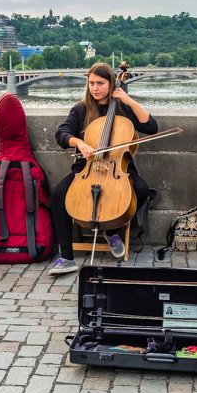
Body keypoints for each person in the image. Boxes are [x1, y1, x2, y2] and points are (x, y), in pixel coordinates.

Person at [48, 63, 159, 275]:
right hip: (86, 168)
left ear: (111, 83)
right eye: (91, 83)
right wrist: (78, 143)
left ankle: (113, 231)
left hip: (119, 167)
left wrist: (128, 100)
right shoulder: (81, 109)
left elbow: (152, 127)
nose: (95, 88)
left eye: (100, 83)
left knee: (142, 189)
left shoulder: (123, 109)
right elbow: (62, 133)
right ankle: (66, 257)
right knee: (58, 194)